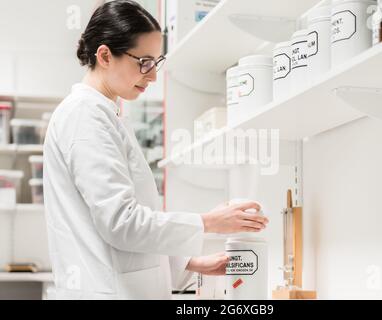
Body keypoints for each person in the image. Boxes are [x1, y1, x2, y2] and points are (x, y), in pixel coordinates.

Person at [43, 0, 268, 299]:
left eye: (156, 62)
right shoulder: (85, 116)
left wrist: (190, 264)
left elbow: (125, 237)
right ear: (105, 55)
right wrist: (208, 222)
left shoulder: (107, 114)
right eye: (144, 62)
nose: (152, 75)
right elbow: (121, 223)